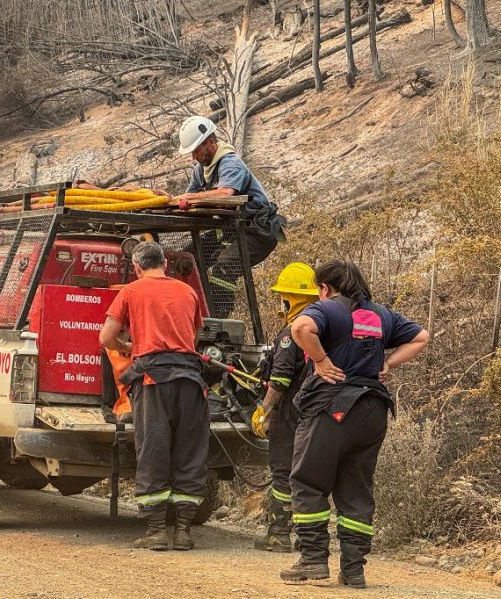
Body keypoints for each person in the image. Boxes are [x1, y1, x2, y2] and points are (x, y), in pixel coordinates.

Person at [280, 260, 430, 588]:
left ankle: (313, 560)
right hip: (373, 411)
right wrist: (388, 362)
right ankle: (353, 569)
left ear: (324, 288)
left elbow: (301, 329)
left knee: (308, 482)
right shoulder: (381, 314)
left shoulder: (329, 309)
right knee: (356, 491)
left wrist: (320, 360)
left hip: (332, 408)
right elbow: (421, 336)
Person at [98, 241, 207, 552]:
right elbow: (194, 337)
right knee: (189, 452)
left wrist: (129, 348)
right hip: (190, 380)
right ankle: (184, 532)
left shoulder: (131, 291)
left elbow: (105, 337)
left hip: (152, 380)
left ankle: (156, 531)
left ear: (136, 267)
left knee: (154, 449)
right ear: (165, 264)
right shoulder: (188, 292)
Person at [174, 115, 286, 317]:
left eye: (197, 151)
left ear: (210, 142)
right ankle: (190, 312)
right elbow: (186, 197)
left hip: (257, 233)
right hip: (231, 232)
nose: (194, 157)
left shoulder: (230, 164)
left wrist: (190, 197)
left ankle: (219, 317)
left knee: (225, 265)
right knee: (187, 259)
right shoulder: (201, 171)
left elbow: (226, 194)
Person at [250, 262, 319, 552]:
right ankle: (309, 538)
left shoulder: (292, 332)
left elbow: (279, 380)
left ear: (289, 298)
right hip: (316, 412)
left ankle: (279, 534)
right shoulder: (320, 328)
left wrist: (264, 410)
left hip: (290, 413)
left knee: (283, 472)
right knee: (310, 474)